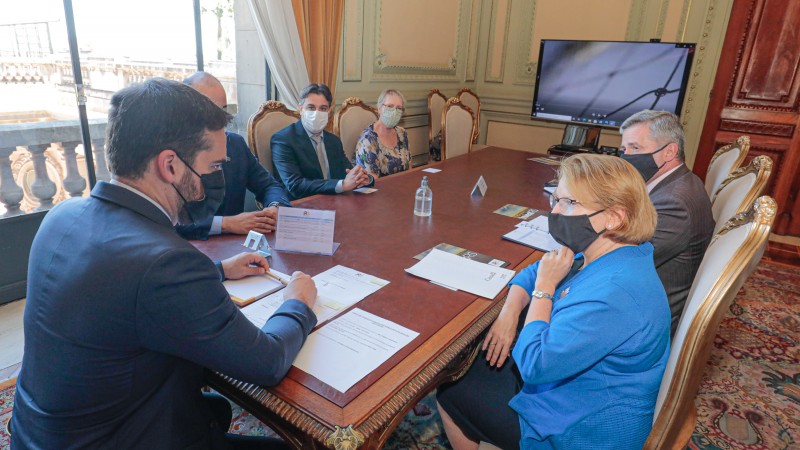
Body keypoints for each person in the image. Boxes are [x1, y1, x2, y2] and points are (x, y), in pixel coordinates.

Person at [11, 78, 318, 449]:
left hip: (41, 435)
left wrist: (220, 270)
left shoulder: (62, 214)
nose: (216, 178)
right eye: (213, 166)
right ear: (170, 165)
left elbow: (120, 289)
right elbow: (266, 363)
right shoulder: (168, 263)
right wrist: (297, 302)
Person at [437, 154, 670, 450]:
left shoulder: (614, 293)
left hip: (580, 430)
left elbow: (534, 365)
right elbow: (535, 271)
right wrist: (509, 313)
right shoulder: (611, 251)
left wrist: (544, 290)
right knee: (477, 363)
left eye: (569, 203)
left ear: (614, 216)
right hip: (573, 390)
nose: (556, 211)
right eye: (556, 199)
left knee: (451, 389)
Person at [619, 110, 715, 337]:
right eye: (624, 150)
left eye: (635, 148)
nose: (626, 157)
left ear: (669, 151)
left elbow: (623, 261)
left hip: (644, 316)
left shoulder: (674, 202)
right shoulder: (679, 182)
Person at [176, 71, 292, 240]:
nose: (220, 119)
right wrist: (226, 223)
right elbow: (167, 219)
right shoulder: (168, 152)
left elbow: (268, 186)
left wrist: (275, 207)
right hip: (189, 246)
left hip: (236, 244)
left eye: (223, 110)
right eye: (211, 110)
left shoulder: (235, 144)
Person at [270, 83, 374, 200]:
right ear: (301, 109)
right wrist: (342, 185)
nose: (317, 113)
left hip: (334, 200)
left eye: (323, 108)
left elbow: (348, 172)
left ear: (329, 111)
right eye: (311, 108)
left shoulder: (333, 141)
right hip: (301, 204)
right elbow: (295, 185)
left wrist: (362, 178)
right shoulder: (283, 140)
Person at [354, 89, 411, 176]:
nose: (394, 111)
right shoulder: (367, 139)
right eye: (390, 106)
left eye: (399, 108)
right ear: (379, 108)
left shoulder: (402, 133)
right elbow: (370, 179)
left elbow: (409, 168)